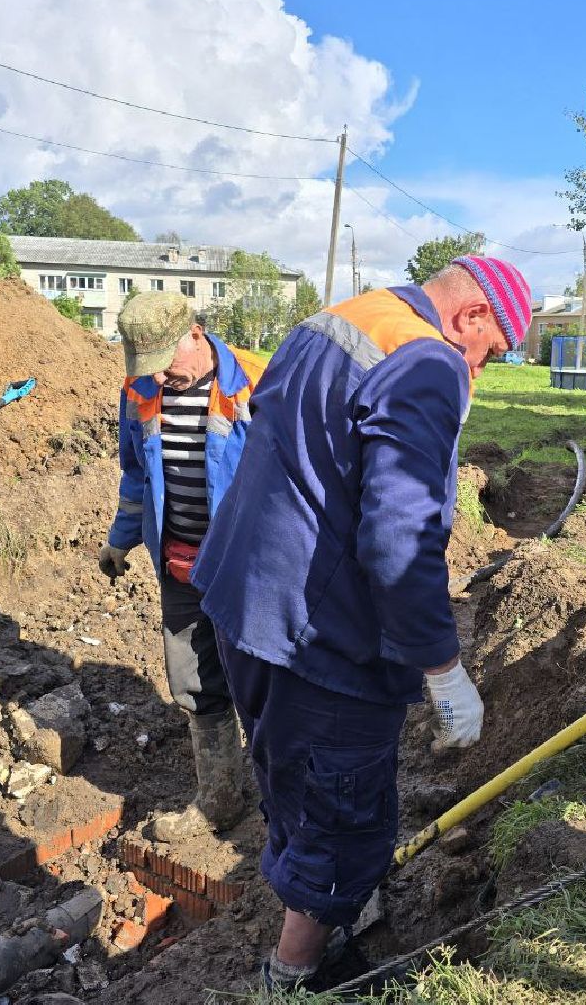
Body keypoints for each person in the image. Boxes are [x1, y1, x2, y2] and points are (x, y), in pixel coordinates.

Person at [193, 255, 533, 990]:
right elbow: (399, 536)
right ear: (472, 317)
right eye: (493, 353)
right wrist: (441, 666)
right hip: (321, 634)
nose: (484, 369)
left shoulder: (342, 319)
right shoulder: (429, 362)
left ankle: (316, 924)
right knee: (343, 811)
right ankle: (299, 975)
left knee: (291, 772)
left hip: (242, 598)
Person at [97, 291, 266, 840]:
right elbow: (135, 477)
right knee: (196, 682)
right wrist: (120, 540)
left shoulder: (256, 384)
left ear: (195, 333)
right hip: (180, 565)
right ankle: (219, 799)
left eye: (166, 363)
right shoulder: (140, 391)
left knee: (266, 681)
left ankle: (283, 805)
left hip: (249, 569)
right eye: (148, 367)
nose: (160, 377)